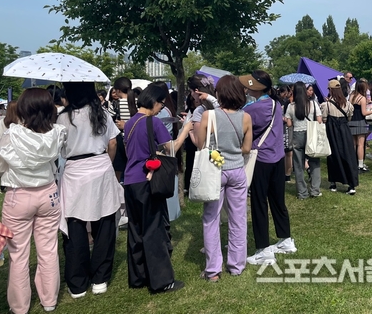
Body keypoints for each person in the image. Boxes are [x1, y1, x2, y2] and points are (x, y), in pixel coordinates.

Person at [0, 88, 65, 313]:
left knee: (18, 254)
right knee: (48, 249)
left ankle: (20, 306)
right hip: (48, 194)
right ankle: (49, 300)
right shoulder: (56, 133)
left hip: (19, 195)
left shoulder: (12, 135)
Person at [122, 84, 194, 293]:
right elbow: (171, 149)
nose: (161, 107)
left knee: (136, 229)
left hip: (130, 180)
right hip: (147, 181)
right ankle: (162, 281)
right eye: (161, 104)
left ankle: (138, 277)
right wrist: (186, 130)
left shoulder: (130, 122)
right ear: (154, 102)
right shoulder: (153, 122)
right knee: (154, 230)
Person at [57, 82, 122, 298]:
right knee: (104, 223)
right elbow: (112, 143)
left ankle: (77, 283)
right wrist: (106, 163)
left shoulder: (64, 117)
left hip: (75, 171)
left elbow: (59, 148)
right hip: (100, 166)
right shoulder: (101, 113)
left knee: (75, 224)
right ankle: (100, 278)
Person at [195, 75, 253, 281]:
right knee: (238, 218)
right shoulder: (246, 117)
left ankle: (213, 270)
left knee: (211, 218)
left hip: (215, 170)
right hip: (237, 170)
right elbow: (247, 148)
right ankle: (236, 265)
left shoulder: (208, 116)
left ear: (219, 93)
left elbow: (201, 145)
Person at [241, 71, 296, 266]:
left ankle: (263, 248)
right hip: (277, 158)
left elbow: (242, 127)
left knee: (259, 203)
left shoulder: (252, 109)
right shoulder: (275, 104)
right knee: (277, 200)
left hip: (261, 159)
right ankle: (285, 239)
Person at [285, 82, 323, 199]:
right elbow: (319, 120)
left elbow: (289, 124)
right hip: (311, 134)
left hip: (297, 135)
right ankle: (315, 190)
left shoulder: (291, 106)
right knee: (314, 161)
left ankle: (302, 192)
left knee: (298, 164)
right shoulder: (313, 104)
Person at [321, 79, 358, 194]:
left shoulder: (326, 105)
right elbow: (349, 118)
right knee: (348, 155)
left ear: (330, 90)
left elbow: (324, 119)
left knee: (333, 156)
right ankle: (351, 184)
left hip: (332, 132)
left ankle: (333, 183)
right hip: (345, 130)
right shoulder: (348, 105)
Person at [348, 81, 372, 172]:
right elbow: (364, 112)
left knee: (353, 144)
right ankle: (360, 164)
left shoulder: (351, 96)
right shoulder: (362, 98)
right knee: (360, 144)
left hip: (351, 122)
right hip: (360, 122)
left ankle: (353, 163)